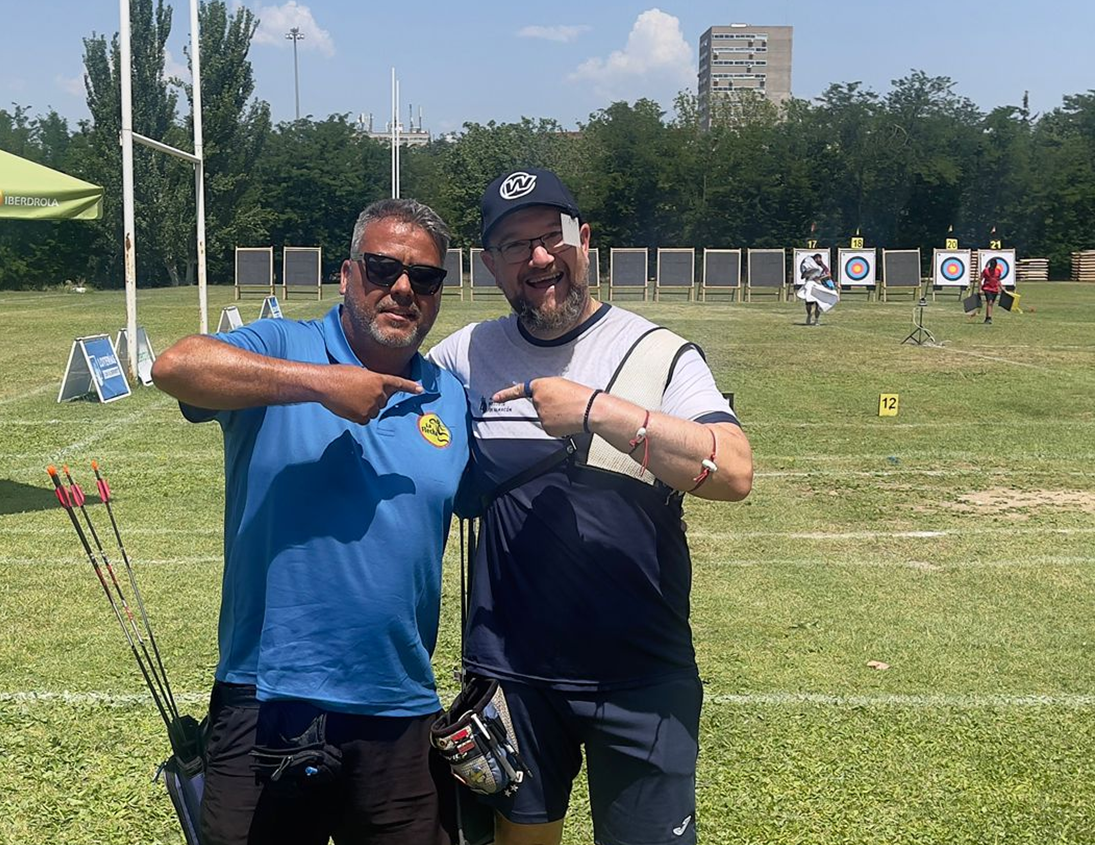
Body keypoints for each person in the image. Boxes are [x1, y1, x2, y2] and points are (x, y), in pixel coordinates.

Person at [427, 169, 753, 845]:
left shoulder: (657, 353)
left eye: (552, 236)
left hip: (641, 674)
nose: (538, 257)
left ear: (584, 240)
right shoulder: (465, 354)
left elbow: (732, 471)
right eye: (514, 245)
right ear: (489, 265)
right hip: (512, 677)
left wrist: (600, 411)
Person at [151, 198, 469, 845]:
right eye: (383, 268)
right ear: (347, 275)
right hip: (265, 697)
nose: (403, 288)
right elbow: (175, 366)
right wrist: (323, 383)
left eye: (424, 276)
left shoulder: (449, 395)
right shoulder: (284, 344)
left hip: (398, 704)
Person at [798, 252, 835, 325]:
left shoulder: (823, 267)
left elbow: (828, 275)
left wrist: (819, 278)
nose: (819, 260)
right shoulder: (809, 266)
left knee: (818, 304)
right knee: (808, 304)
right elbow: (803, 276)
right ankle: (809, 315)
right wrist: (808, 273)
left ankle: (816, 320)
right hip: (810, 286)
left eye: (820, 258)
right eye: (817, 258)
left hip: (819, 286)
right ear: (814, 259)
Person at [980, 257, 1004, 324]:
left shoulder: (998, 271)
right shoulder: (986, 270)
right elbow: (980, 279)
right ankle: (989, 318)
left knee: (991, 304)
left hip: (995, 289)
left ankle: (987, 317)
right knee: (989, 302)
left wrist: (1001, 288)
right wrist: (980, 289)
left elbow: (998, 280)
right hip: (987, 288)